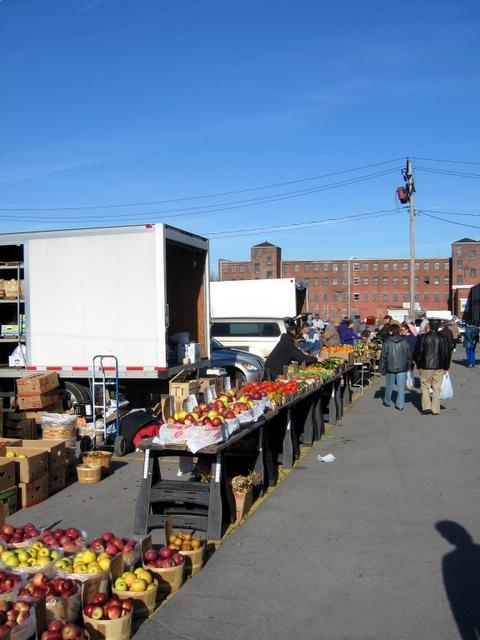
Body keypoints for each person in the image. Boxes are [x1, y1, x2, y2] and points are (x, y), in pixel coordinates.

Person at [413, 319, 452, 415]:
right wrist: (446, 366)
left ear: (428, 326)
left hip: (426, 365)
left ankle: (426, 407)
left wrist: (418, 365)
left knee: (425, 386)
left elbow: (418, 352)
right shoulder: (443, 338)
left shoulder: (423, 337)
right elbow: (448, 353)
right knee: (436, 387)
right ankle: (435, 409)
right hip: (439, 366)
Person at [379, 323, 412, 410]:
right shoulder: (404, 341)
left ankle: (387, 401)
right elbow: (409, 355)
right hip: (402, 366)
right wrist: (409, 365)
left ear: (391, 331)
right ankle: (400, 404)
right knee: (401, 386)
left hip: (390, 366)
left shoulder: (387, 341)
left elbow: (383, 356)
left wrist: (381, 368)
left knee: (389, 385)